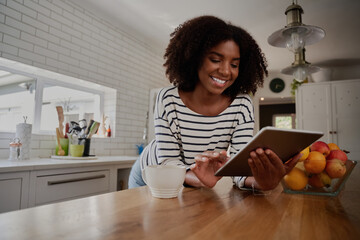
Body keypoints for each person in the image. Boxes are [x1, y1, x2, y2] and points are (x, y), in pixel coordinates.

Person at [128, 15, 300, 191]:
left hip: (191, 179)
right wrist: (200, 179)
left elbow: (240, 170)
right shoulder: (168, 99)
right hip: (151, 174)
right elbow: (168, 163)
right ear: (195, 58)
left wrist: (264, 182)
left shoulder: (241, 105)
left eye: (234, 64)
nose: (226, 71)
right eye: (216, 60)